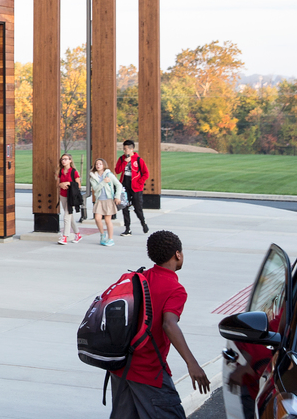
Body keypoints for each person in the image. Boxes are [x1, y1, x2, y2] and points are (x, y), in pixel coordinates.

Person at [108, 229, 210, 419]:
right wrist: (192, 364)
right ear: (177, 254)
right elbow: (169, 324)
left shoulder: (138, 278)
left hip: (120, 368)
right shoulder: (175, 289)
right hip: (149, 371)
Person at [116, 139, 151, 236]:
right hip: (125, 186)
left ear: (132, 149)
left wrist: (140, 182)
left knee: (137, 208)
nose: (124, 151)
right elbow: (117, 170)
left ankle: (143, 223)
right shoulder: (121, 158)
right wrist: (124, 162)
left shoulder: (139, 160)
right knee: (124, 207)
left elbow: (146, 173)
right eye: (123, 149)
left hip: (136, 187)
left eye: (126, 149)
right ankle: (127, 229)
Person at [89, 158, 126, 246]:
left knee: (107, 220)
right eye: (97, 164)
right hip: (99, 201)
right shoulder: (93, 177)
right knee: (97, 219)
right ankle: (102, 234)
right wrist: (103, 182)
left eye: (100, 164)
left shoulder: (109, 174)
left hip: (108, 200)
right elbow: (95, 189)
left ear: (104, 165)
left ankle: (110, 239)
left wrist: (117, 197)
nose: (98, 165)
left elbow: (118, 185)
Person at [57, 153, 83, 245]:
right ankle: (78, 234)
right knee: (70, 216)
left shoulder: (74, 172)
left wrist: (68, 183)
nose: (63, 161)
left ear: (70, 160)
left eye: (65, 159)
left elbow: (78, 185)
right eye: (62, 159)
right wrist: (62, 184)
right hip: (63, 195)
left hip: (71, 196)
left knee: (66, 217)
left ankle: (65, 237)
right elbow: (58, 183)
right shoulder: (61, 171)